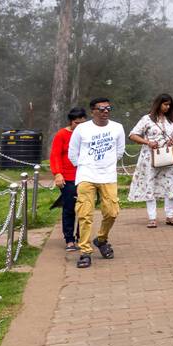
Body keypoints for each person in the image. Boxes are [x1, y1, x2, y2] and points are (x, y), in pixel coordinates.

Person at [67, 97, 126, 269]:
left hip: (108, 176)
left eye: (108, 108)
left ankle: (101, 239)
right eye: (101, 109)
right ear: (93, 110)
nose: (105, 112)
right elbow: (73, 153)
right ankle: (85, 252)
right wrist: (85, 166)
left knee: (112, 212)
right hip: (86, 175)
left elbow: (119, 151)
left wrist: (105, 165)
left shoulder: (117, 128)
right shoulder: (82, 129)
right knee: (85, 214)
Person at [128, 93, 173, 228]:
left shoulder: (171, 121)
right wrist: (147, 142)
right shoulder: (147, 119)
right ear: (158, 104)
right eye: (165, 104)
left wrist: (172, 141)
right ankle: (152, 218)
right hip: (150, 157)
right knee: (150, 184)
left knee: (170, 185)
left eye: (169, 105)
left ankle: (170, 216)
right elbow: (132, 135)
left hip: (168, 157)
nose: (167, 107)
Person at [49, 107, 89, 250]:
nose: (80, 126)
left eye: (82, 123)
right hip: (68, 176)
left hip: (85, 176)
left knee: (85, 208)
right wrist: (57, 173)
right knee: (70, 208)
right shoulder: (62, 135)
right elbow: (55, 155)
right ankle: (69, 239)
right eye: (77, 123)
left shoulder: (88, 133)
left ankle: (82, 236)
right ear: (71, 122)